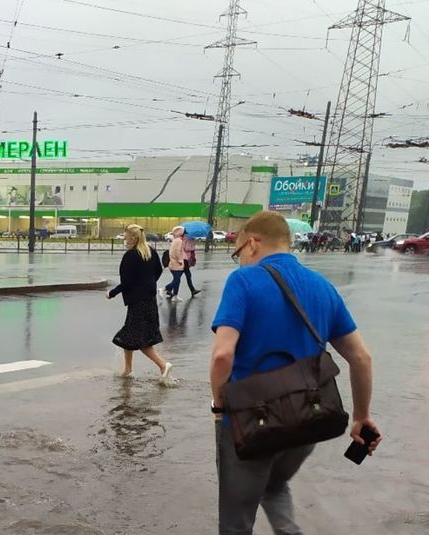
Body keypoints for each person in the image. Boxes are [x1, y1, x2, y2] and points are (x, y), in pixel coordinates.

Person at [210, 211, 381, 535]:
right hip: (306, 422)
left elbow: (222, 355)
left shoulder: (244, 281)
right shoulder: (322, 286)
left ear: (253, 243)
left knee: (236, 522)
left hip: (251, 425)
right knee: (274, 486)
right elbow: (362, 357)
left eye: (238, 253)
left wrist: (219, 410)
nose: (240, 261)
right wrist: (361, 416)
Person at [107, 224, 173, 381]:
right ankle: (128, 370)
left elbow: (127, 282)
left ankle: (163, 365)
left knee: (141, 340)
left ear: (132, 237)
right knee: (128, 336)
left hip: (137, 302)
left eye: (125, 233)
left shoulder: (131, 255)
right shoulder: (151, 251)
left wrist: (112, 293)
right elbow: (158, 270)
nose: (123, 236)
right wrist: (148, 283)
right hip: (149, 299)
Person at [164, 226, 186, 302]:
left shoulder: (174, 240)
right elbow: (178, 252)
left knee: (177, 280)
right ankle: (164, 289)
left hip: (172, 263)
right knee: (176, 280)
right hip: (177, 264)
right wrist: (180, 261)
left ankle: (175, 295)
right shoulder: (179, 241)